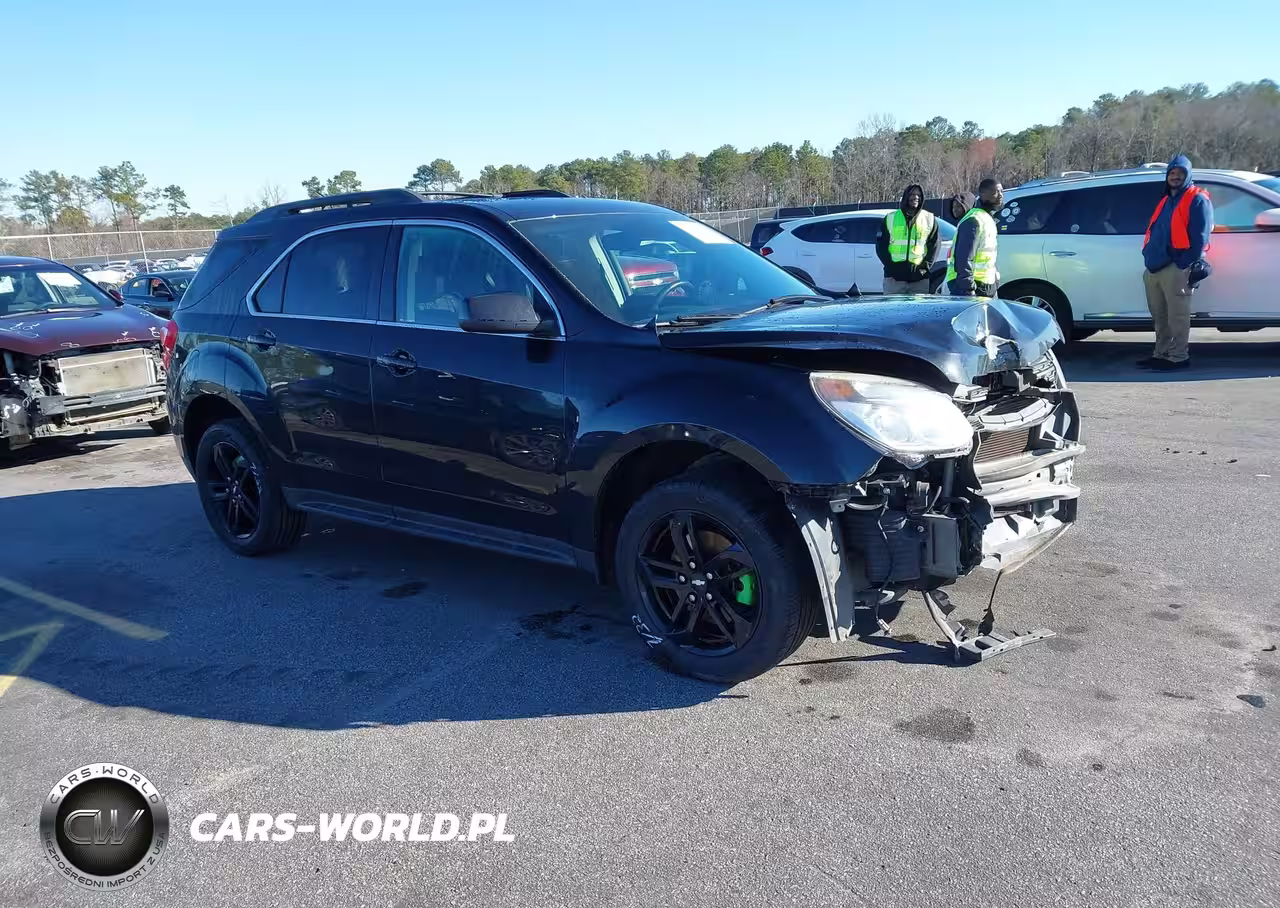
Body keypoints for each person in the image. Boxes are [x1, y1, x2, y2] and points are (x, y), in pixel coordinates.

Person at [1138, 154, 1213, 372]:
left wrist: (1183, 264)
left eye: (1180, 173)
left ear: (1188, 175)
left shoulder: (1197, 199)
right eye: (1172, 172)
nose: (1175, 176)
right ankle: (1160, 354)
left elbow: (1201, 238)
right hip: (1154, 267)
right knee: (1159, 316)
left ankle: (1179, 357)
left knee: (1177, 316)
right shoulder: (1165, 200)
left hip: (1175, 268)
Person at [875, 184, 939, 294]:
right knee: (893, 311)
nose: (916, 197)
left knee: (918, 311)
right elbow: (881, 246)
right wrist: (891, 267)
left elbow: (934, 246)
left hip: (919, 280)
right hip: (894, 280)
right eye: (913, 194)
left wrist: (924, 268)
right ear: (906, 196)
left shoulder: (929, 219)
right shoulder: (891, 218)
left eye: (919, 195)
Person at [945, 179, 1003, 298]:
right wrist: (968, 290)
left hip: (984, 288)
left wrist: (994, 282)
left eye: (1002, 191)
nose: (1001, 195)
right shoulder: (974, 220)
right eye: (996, 192)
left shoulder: (986, 218)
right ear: (983, 195)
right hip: (972, 290)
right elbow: (964, 259)